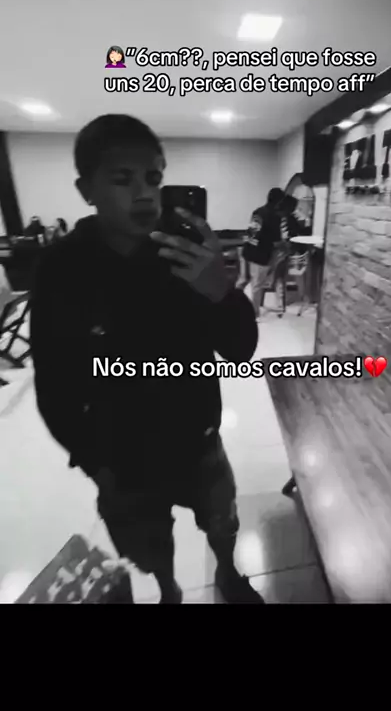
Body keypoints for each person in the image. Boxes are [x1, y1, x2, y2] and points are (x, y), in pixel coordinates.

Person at [30, 114, 263, 605]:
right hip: (122, 457)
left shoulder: (186, 252)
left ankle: (227, 574)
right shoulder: (62, 269)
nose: (145, 195)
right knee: (148, 546)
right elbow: (53, 381)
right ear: (86, 190)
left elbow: (240, 348)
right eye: (123, 179)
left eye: (154, 178)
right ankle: (168, 591)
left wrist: (221, 292)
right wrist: (93, 460)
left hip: (198, 438)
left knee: (222, 522)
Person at [238, 188, 284, 317]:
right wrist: (284, 246)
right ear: (279, 202)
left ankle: (233, 304)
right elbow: (275, 241)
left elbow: (252, 231)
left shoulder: (257, 212)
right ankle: (253, 313)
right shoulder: (275, 217)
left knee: (242, 281)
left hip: (247, 249)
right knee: (257, 286)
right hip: (260, 254)